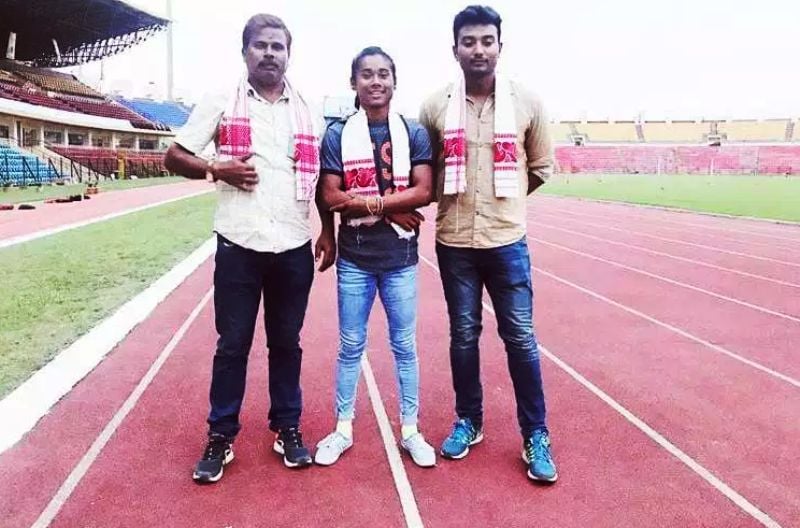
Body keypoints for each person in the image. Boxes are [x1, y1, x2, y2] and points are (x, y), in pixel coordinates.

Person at [163, 13, 334, 483]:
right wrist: (217, 168)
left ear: (288, 54)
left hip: (294, 244)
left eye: (278, 47)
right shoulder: (223, 99)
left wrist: (328, 231)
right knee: (232, 345)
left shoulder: (308, 108)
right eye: (261, 45)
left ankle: (287, 427)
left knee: (286, 344)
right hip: (239, 244)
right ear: (245, 52)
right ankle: (221, 435)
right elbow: (173, 155)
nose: (269, 54)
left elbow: (319, 176)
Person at [418, 5, 558, 482]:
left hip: (505, 240)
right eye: (469, 41)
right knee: (463, 336)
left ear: (501, 45)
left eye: (487, 41)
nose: (478, 49)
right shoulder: (435, 105)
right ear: (454, 48)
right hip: (455, 240)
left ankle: (535, 433)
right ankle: (468, 420)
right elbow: (427, 171)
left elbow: (538, 169)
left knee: (519, 337)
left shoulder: (528, 102)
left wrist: (506, 206)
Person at [314, 46, 436, 468]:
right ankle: (342, 428)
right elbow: (329, 195)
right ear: (354, 83)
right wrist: (387, 205)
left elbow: (425, 192)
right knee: (350, 346)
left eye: (384, 73)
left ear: (394, 81)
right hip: (355, 258)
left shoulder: (413, 132)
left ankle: (411, 429)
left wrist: (367, 204)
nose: (376, 81)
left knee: (404, 345)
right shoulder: (337, 134)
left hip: (400, 258)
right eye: (366, 74)